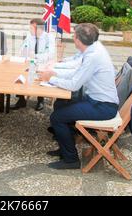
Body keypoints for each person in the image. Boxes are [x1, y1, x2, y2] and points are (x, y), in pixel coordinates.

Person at [38, 23, 119, 169]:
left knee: (57, 117)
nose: (73, 37)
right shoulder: (94, 48)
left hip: (103, 106)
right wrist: (54, 74)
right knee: (60, 104)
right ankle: (65, 147)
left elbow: (75, 84)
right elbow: (78, 73)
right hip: (98, 100)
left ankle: (71, 159)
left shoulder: (93, 56)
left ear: (77, 40)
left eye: (74, 35)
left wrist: (50, 79)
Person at [11, 18, 56, 111]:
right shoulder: (29, 36)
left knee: (39, 75)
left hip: (43, 64)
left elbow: (50, 54)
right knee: (20, 73)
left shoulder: (49, 37)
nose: (30, 30)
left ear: (39, 29)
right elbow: (22, 49)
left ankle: (40, 100)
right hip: (30, 62)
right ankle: (21, 99)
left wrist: (36, 56)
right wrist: (25, 52)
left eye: (31, 28)